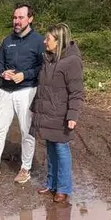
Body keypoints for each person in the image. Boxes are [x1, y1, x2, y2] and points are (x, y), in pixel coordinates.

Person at [0, 3, 45, 184]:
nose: (17, 21)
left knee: (26, 131)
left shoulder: (38, 41)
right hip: (6, 91)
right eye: (15, 17)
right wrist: (2, 72)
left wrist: (25, 74)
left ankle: (25, 168)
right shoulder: (7, 40)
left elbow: (43, 67)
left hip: (27, 91)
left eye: (21, 17)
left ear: (30, 19)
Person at [33, 23, 85, 204]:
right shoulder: (48, 59)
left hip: (61, 114)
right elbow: (44, 87)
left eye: (48, 39)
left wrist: (72, 115)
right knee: (50, 149)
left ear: (59, 41)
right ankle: (51, 183)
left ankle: (63, 188)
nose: (44, 41)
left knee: (61, 150)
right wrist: (36, 109)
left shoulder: (72, 62)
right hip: (47, 113)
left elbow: (77, 91)